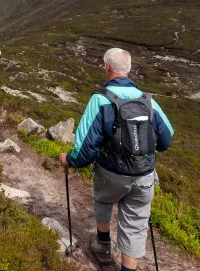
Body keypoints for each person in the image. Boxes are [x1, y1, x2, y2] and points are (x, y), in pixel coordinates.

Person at [59, 48, 174, 271]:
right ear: (129, 69)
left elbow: (85, 148)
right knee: (135, 226)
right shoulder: (149, 101)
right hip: (144, 175)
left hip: (110, 173)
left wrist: (69, 160)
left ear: (107, 67)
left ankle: (102, 245)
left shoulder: (100, 100)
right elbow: (166, 139)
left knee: (103, 201)